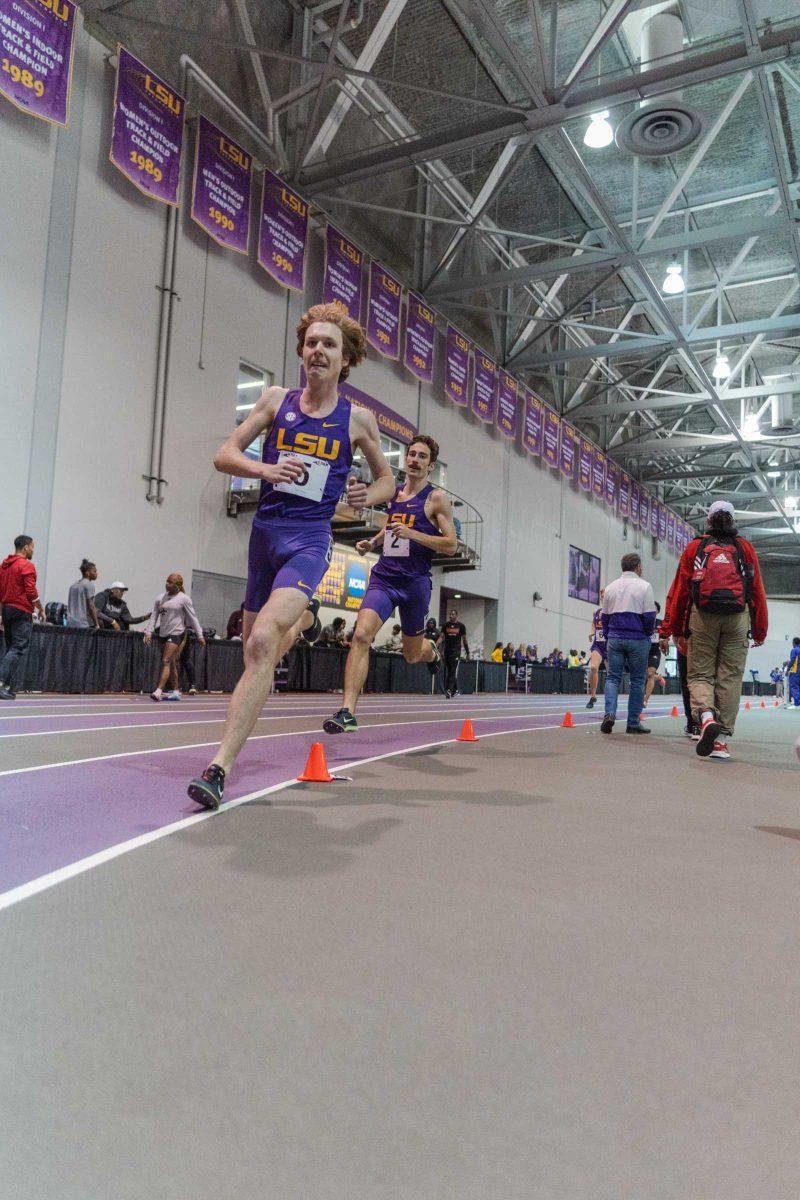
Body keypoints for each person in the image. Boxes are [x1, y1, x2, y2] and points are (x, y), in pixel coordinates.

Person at [188, 301, 394, 809]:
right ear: (302, 352)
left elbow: (387, 478)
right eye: (311, 343)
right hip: (265, 533)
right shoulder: (276, 401)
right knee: (253, 651)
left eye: (329, 345)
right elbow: (224, 454)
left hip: (309, 537)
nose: (318, 351)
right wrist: (264, 471)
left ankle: (219, 767)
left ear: (345, 360)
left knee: (260, 643)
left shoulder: (358, 420)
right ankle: (300, 624)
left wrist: (371, 495)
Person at [323, 436, 456, 734]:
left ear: (430, 466)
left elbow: (451, 544)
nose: (414, 460)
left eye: (422, 457)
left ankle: (431, 650)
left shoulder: (436, 499)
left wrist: (415, 534)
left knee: (411, 655)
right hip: (384, 577)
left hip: (415, 584)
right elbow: (392, 525)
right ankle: (347, 711)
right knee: (361, 635)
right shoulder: (394, 494)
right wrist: (373, 540)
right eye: (411, 454)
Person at [660, 499, 767, 760]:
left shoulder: (696, 547)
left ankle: (706, 718)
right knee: (729, 677)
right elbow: (757, 590)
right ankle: (720, 742)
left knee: (699, 675)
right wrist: (760, 629)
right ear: (733, 520)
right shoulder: (745, 548)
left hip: (702, 616)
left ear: (708, 521)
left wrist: (671, 628)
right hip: (737, 618)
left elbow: (680, 591)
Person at [600, 552, 656, 735]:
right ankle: (632, 723)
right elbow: (649, 616)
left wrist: (609, 635)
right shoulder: (645, 586)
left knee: (612, 678)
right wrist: (647, 634)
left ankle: (609, 713)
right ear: (638, 567)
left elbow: (605, 617)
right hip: (637, 639)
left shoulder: (610, 587)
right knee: (638, 680)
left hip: (615, 638)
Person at [143, 573, 205, 701]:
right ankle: (176, 691)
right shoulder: (160, 598)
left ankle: (158, 690)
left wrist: (200, 635)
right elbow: (154, 615)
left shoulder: (184, 599)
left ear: (177, 585)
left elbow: (193, 618)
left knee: (165, 660)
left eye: (170, 582)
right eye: (166, 581)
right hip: (163, 633)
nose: (167, 584)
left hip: (176, 633)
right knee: (170, 663)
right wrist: (148, 631)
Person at [0, 535, 45, 701]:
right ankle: (1, 683)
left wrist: (1, 614)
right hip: (21, 611)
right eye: (32, 546)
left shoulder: (4, 566)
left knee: (11, 648)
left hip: (7, 610)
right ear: (26, 547)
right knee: (18, 648)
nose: (33, 549)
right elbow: (31, 591)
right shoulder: (26, 565)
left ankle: (7, 687)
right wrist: (41, 608)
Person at [439, 608, 470, 698]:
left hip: (456, 651)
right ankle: (455, 690)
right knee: (449, 671)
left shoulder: (461, 626)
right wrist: (436, 646)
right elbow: (441, 637)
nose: (451, 616)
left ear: (456, 615)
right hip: (447, 651)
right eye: (450, 614)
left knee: (452, 671)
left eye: (453, 614)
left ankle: (448, 690)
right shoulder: (445, 625)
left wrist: (467, 652)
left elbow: (464, 640)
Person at [585, 588, 606, 709]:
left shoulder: (614, 612)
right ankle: (593, 696)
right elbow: (593, 624)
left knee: (612, 675)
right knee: (593, 667)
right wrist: (591, 633)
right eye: (601, 595)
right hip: (598, 645)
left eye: (604, 594)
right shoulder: (597, 612)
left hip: (610, 647)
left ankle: (611, 701)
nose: (602, 596)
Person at [67, 559, 99, 628]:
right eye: (94, 571)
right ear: (87, 573)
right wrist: (96, 624)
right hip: (83, 624)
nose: (96, 573)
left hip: (70, 623)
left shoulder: (73, 586)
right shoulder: (89, 585)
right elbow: (91, 606)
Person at [642, 600, 663, 708]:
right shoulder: (643, 622)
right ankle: (658, 677)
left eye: (654, 608)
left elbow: (665, 637)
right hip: (643, 650)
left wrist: (664, 641)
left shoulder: (661, 623)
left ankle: (646, 699)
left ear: (658, 611)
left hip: (655, 651)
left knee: (650, 673)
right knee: (642, 675)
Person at [786, 638, 800, 708]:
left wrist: (787, 670)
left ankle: (797, 704)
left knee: (794, 687)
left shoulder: (794, 650)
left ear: (794, 643)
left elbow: (792, 661)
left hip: (796, 671)